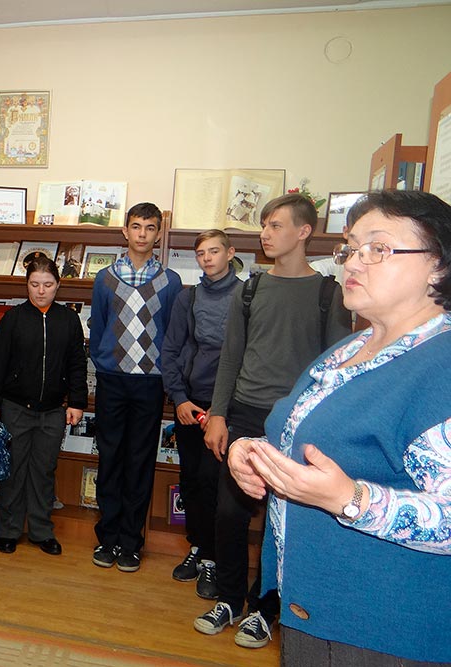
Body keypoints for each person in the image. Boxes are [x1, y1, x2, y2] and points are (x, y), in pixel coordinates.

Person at [229, 190, 451, 664]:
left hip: (384, 628)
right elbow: (310, 440)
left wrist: (350, 499)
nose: (353, 262)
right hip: (310, 608)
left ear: (438, 265)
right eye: (350, 248)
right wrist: (252, 450)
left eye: (377, 248)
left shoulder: (442, 365)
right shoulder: (348, 351)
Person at [196, 193, 351, 649]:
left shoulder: (329, 293)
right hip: (243, 412)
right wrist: (218, 413)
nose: (265, 233)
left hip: (295, 421)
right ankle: (229, 599)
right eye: (263, 224)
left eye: (276, 225)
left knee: (279, 521)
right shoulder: (250, 289)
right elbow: (231, 356)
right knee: (229, 513)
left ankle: (264, 609)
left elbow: (335, 369)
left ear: (304, 232)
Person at [88, 202, 182, 572]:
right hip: (112, 381)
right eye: (137, 226)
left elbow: (172, 335)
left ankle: (131, 542)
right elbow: (98, 327)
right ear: (125, 231)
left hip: (150, 384)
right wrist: (104, 363)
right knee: (110, 459)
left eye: (150, 227)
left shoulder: (170, 281)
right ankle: (107, 537)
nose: (142, 234)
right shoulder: (104, 278)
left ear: (158, 233)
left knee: (140, 462)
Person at [0, 255, 87, 556]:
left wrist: (77, 402)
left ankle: (41, 531)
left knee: (43, 471)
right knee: (13, 472)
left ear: (58, 285)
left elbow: (77, 364)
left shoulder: (68, 320)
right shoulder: (13, 318)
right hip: (15, 408)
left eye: (48, 284)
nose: (41, 291)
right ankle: (9, 530)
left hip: (53, 411)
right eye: (35, 284)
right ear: (26, 285)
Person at [160, 230, 240, 599]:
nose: (207, 258)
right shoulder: (187, 297)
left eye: (214, 251)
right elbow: (171, 349)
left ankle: (213, 558)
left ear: (230, 253)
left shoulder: (246, 296)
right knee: (191, 480)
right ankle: (198, 546)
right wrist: (178, 398)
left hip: (227, 407)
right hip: (190, 405)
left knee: (216, 483)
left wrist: (222, 408)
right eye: (201, 253)